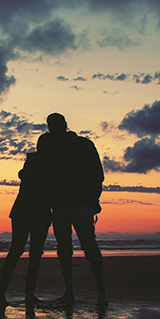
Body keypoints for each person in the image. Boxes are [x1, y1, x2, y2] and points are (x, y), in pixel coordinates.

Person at [37, 113, 107, 306]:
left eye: (55, 125)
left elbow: (97, 175)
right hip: (64, 205)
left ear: (64, 125)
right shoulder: (52, 144)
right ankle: (75, 293)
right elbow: (97, 175)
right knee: (69, 249)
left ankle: (99, 293)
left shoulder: (82, 145)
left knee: (86, 248)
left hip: (78, 204)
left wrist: (94, 199)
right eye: (51, 125)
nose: (53, 128)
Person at [0, 148, 52, 306]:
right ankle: (23, 293)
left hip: (26, 212)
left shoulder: (32, 165)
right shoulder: (43, 167)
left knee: (19, 251)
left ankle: (8, 292)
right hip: (33, 213)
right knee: (28, 252)